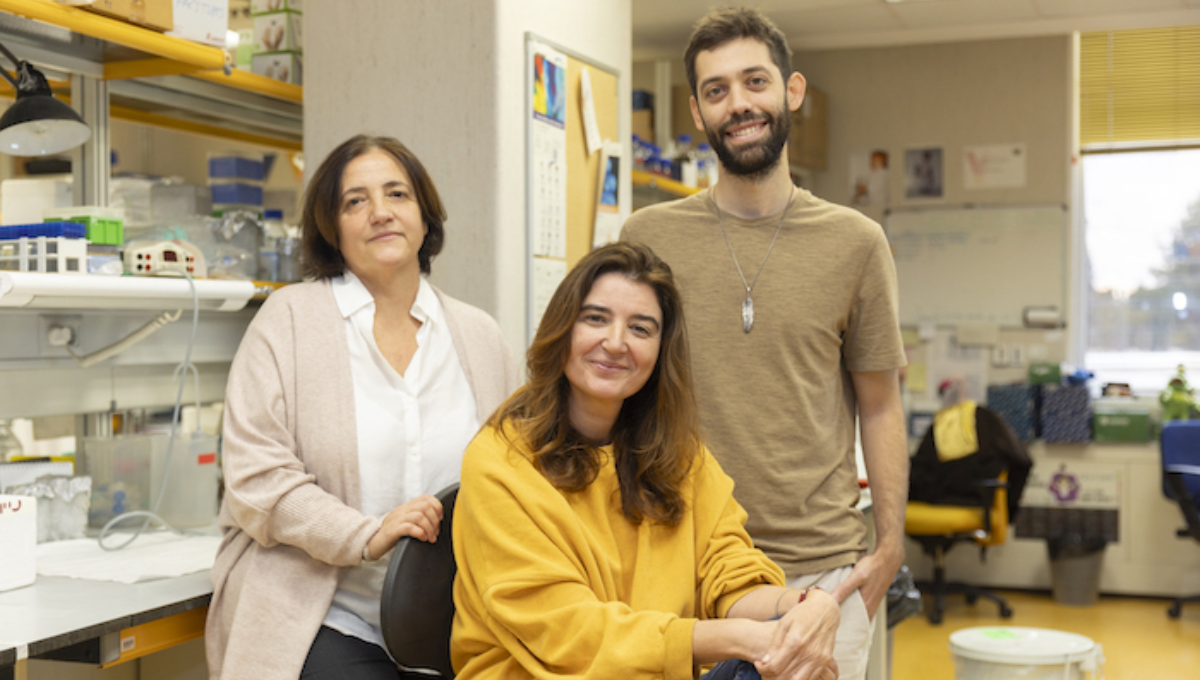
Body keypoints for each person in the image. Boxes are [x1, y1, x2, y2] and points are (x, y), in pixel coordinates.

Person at [620, 8, 908, 680]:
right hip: (683, 561)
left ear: (792, 91)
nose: (739, 104)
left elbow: (881, 402)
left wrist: (890, 544)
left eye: (755, 82)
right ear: (697, 110)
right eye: (717, 90)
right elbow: (618, 383)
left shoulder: (855, 242)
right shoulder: (648, 234)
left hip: (823, 570)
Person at [206, 134, 520, 680]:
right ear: (333, 227)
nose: (379, 213)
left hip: (454, 617)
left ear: (425, 216)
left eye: (397, 194)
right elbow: (257, 478)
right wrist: (364, 535)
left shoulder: (479, 335)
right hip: (322, 612)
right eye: (355, 201)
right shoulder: (289, 320)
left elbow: (521, 470)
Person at [451, 242, 840, 680]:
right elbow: (566, 635)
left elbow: (729, 574)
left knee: (794, 663)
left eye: (641, 329)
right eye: (595, 318)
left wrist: (804, 605)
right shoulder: (499, 461)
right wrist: (738, 638)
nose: (615, 343)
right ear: (562, 329)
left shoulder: (679, 455)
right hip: (541, 673)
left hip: (657, 670)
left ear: (659, 353)